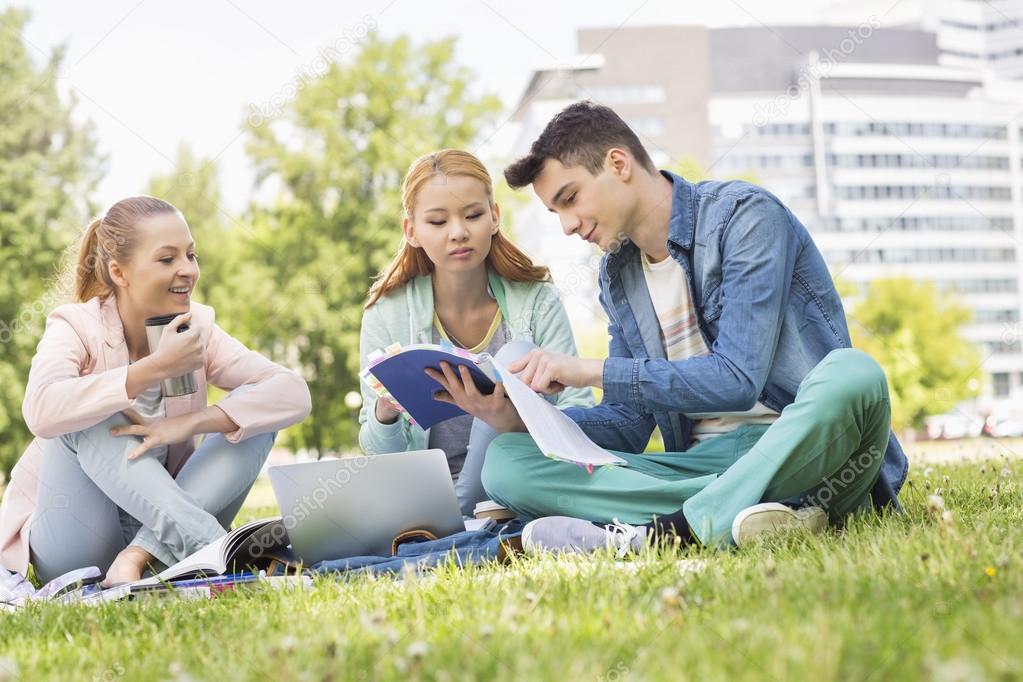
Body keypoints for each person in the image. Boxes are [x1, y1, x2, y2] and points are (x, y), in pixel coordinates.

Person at [430, 102, 907, 552]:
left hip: (803, 446)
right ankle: (760, 511)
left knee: (854, 374)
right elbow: (625, 424)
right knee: (508, 462)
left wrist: (585, 370)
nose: (568, 227)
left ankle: (667, 531)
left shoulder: (744, 218)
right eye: (556, 213)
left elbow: (737, 381)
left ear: (619, 164)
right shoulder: (618, 275)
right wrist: (520, 421)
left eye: (570, 199)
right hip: (699, 467)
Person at [0, 196, 311, 585]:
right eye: (167, 260)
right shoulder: (76, 325)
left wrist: (192, 423)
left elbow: (293, 392)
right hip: (77, 544)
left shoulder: (194, 328)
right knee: (93, 416)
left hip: (158, 541)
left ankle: (137, 558)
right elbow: (41, 410)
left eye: (191, 255)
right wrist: (154, 369)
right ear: (119, 272)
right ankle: (223, 552)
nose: (187, 270)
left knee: (256, 418)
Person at [358, 149, 593, 516]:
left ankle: (460, 519)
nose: (458, 233)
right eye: (437, 222)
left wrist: (512, 419)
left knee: (516, 355)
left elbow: (579, 409)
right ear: (412, 231)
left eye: (473, 215)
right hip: (426, 499)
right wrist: (385, 412)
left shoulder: (537, 301)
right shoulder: (386, 313)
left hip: (519, 482)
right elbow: (378, 454)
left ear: (495, 217)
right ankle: (456, 518)